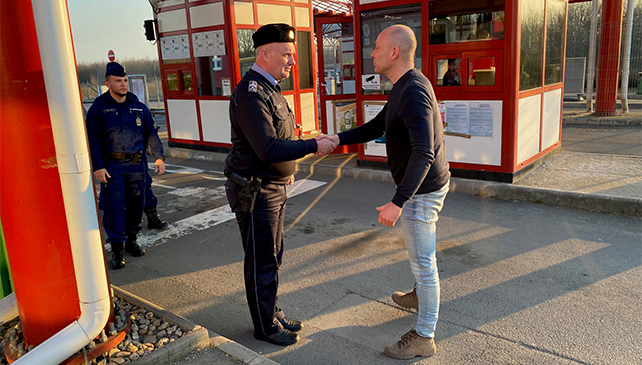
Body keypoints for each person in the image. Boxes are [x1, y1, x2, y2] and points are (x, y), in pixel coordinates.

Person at [318, 25, 450, 359]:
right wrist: (338, 138)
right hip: (422, 188)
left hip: (423, 192)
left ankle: (424, 337)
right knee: (423, 261)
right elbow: (378, 125)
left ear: (394, 52)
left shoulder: (414, 91)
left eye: (376, 47)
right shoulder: (405, 86)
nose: (371, 53)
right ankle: (419, 294)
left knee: (424, 264)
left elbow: (424, 153)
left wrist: (398, 202)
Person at [224, 23, 336, 346]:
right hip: (255, 190)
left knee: (274, 254)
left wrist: (287, 168)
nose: (292, 61)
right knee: (261, 259)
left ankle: (271, 310)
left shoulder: (271, 88)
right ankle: (265, 326)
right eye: (287, 54)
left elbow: (283, 136)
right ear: (265, 53)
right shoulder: (252, 93)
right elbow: (268, 147)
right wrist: (314, 146)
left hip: (272, 186)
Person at [86, 62, 165, 270]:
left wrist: (158, 156)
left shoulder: (138, 107)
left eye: (124, 80)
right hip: (112, 166)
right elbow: (92, 139)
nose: (123, 84)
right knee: (114, 208)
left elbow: (151, 133)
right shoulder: (99, 109)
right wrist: (97, 166)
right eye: (118, 81)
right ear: (108, 83)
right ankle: (118, 248)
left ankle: (131, 240)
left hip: (137, 166)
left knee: (136, 205)